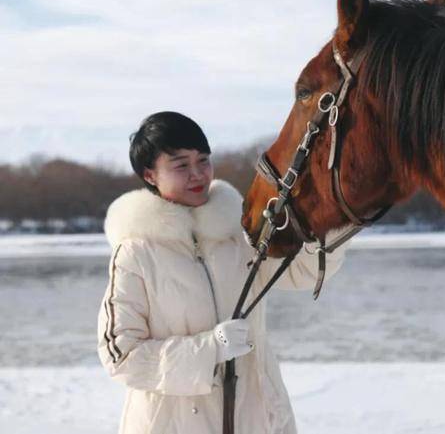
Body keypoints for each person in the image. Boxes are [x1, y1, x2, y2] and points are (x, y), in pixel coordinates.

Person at [97, 111, 346, 434]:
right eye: (181, 165)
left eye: (203, 160)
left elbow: (300, 273)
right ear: (150, 175)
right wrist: (209, 348)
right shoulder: (136, 253)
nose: (198, 174)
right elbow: (121, 355)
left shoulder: (239, 233)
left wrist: (334, 223)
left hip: (257, 420)